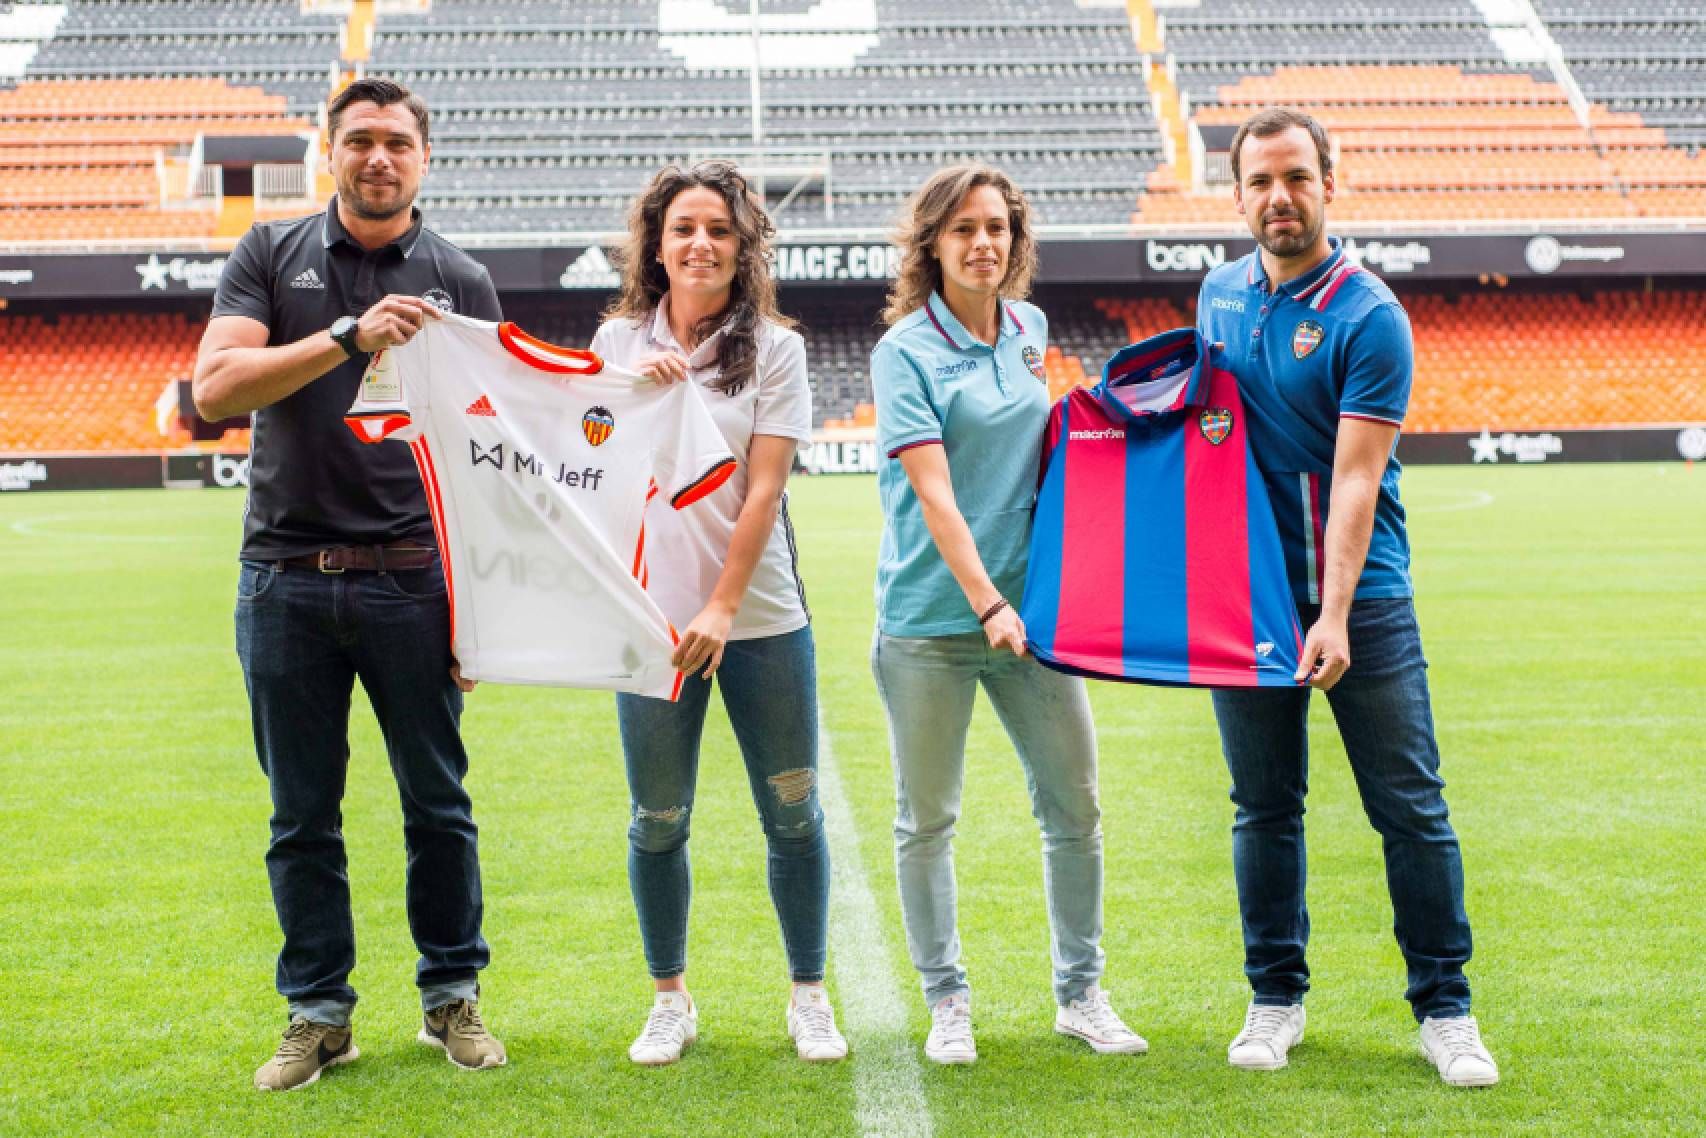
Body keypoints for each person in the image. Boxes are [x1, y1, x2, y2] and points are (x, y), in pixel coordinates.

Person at [194, 77, 507, 1091]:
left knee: (438, 805)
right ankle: (318, 1013)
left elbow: (488, 455)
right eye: (360, 140)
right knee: (301, 814)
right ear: (331, 151)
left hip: (412, 581)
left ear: (426, 159)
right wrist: (347, 335)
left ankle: (450, 996)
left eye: (397, 144)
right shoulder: (268, 254)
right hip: (283, 578)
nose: (379, 158)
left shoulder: (461, 276)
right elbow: (214, 390)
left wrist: (481, 607)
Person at [1196, 108, 1499, 1087]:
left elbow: (1354, 480)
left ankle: (1444, 1010)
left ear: (1328, 180)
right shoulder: (1216, 297)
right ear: (1235, 193)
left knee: (1409, 807)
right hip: (1246, 605)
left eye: (1295, 176)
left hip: (1355, 599)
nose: (1277, 197)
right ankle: (1274, 998)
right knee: (1262, 808)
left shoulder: (1369, 315)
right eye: (1258, 181)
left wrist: (1328, 613)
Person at [868, 163, 1146, 1066]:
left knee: (1076, 809)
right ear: (932, 246)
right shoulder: (903, 349)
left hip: (1036, 625)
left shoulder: (1030, 330)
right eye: (963, 231)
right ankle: (949, 1001)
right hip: (929, 626)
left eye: (997, 228)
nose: (983, 243)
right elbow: (937, 494)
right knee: (928, 821)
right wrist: (986, 600)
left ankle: (1082, 995)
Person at [590, 161, 846, 1066]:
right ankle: (670, 998)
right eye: (684, 228)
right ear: (656, 247)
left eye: (721, 231)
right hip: (650, 624)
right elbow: (590, 475)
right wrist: (639, 399)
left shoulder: (775, 347)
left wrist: (723, 607)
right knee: (656, 818)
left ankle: (808, 994)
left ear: (744, 249)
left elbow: (764, 490)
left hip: (761, 618)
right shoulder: (616, 341)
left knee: (793, 812)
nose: (701, 243)